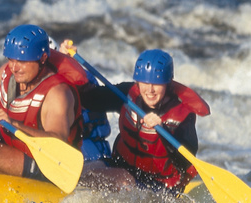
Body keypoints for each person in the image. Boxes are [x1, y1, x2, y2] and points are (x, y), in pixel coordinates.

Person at [0, 24, 88, 182]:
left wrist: (14, 124)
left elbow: (57, 142)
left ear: (42, 58)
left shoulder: (57, 94)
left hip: (47, 167)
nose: (14, 68)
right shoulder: (8, 73)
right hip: (16, 154)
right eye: (11, 59)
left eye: (22, 61)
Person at [80, 48, 210, 194]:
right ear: (137, 82)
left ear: (168, 83)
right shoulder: (127, 94)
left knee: (120, 180)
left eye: (157, 84)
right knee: (84, 171)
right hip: (123, 166)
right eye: (144, 83)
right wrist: (68, 60)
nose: (150, 90)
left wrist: (162, 130)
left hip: (160, 185)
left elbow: (185, 161)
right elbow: (90, 100)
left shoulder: (182, 113)